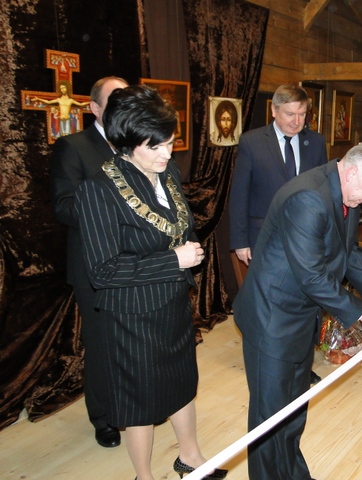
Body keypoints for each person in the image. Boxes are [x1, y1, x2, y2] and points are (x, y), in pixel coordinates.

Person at [75, 85, 226, 480]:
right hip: (132, 315)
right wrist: (173, 259)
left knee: (182, 383)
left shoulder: (166, 173)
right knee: (139, 401)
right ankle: (143, 476)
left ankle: (190, 457)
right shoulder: (97, 191)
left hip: (172, 303)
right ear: (126, 143)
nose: (166, 154)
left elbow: (178, 225)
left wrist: (184, 252)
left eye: (170, 143)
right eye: (154, 146)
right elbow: (103, 271)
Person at [233, 141, 362, 480]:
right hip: (272, 318)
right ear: (352, 172)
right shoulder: (308, 198)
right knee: (269, 419)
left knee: (294, 410)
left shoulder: (347, 192)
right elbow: (312, 277)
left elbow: (349, 251)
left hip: (301, 314)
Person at [229, 83, 327, 385]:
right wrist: (240, 241)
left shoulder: (316, 142)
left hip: (304, 237)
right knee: (269, 304)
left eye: (302, 114)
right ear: (273, 111)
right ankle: (267, 358)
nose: (296, 121)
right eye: (289, 114)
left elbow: (323, 191)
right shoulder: (252, 141)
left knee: (305, 301)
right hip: (263, 237)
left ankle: (302, 362)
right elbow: (239, 194)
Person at [50, 75, 128, 448]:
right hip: (93, 265)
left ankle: (133, 405)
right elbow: (64, 207)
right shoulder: (73, 147)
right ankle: (104, 417)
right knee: (100, 345)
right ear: (94, 108)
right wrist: (113, 211)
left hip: (137, 261)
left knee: (131, 340)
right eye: (114, 100)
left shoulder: (134, 143)